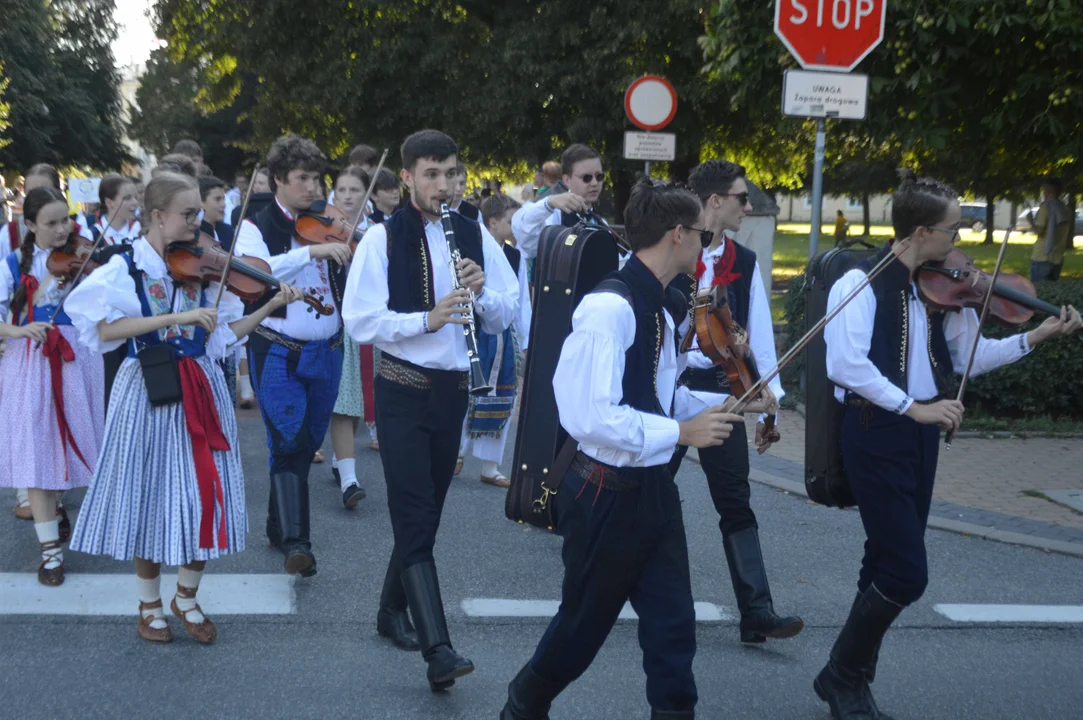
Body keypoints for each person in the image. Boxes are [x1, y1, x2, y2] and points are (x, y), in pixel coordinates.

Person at [818, 173, 1082, 720]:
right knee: (907, 571)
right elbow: (845, 366)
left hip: (921, 432)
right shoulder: (859, 284)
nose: (961, 240)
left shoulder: (946, 292)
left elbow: (968, 360)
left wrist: (1035, 336)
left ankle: (852, 681)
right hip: (876, 431)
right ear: (919, 232)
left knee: (884, 558)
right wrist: (913, 406)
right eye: (952, 228)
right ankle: (840, 674)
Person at [501, 180, 743, 720]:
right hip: (602, 494)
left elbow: (661, 396)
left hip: (654, 492)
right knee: (582, 627)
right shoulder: (609, 308)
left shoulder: (659, 305)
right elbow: (589, 415)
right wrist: (681, 434)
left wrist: (727, 401)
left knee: (674, 629)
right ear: (677, 234)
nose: (706, 246)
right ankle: (524, 702)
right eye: (702, 236)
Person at [65, 172, 304, 644]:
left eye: (199, 213)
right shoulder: (125, 266)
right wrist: (178, 316)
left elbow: (223, 337)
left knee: (205, 495)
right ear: (157, 216)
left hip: (203, 387)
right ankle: (150, 603)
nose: (198, 224)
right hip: (148, 389)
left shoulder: (204, 266)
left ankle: (187, 597)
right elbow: (104, 328)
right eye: (188, 215)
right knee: (149, 496)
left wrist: (269, 303)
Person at [343, 129, 519, 690]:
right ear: (410, 178)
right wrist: (426, 319)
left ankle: (388, 610)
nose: (443, 186)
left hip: (450, 392)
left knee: (427, 515)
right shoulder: (380, 239)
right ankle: (438, 649)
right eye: (431, 175)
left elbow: (505, 310)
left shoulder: (472, 231)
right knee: (415, 513)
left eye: (451, 174)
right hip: (399, 389)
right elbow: (360, 320)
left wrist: (482, 292)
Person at [668, 159, 804, 645]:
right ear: (714, 202)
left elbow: (760, 339)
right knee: (647, 497)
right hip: (670, 397)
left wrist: (770, 399)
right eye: (741, 198)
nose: (748, 205)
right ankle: (613, 586)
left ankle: (757, 611)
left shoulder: (743, 263)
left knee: (736, 504)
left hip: (724, 398)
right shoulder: (672, 248)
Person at [233, 134, 352, 577]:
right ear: (278, 179)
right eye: (302, 179)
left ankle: (276, 523)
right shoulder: (254, 224)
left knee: (305, 442)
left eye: (317, 178)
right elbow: (253, 273)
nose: (312, 188)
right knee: (286, 439)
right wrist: (311, 251)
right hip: (278, 348)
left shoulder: (326, 219)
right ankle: (298, 545)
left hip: (329, 348)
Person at [0, 187, 106, 586]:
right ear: (29, 225)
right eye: (52, 223)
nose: (63, 230)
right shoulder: (12, 263)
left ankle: (57, 506)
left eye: (66, 220)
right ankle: (50, 555)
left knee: (69, 444)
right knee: (36, 450)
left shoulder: (85, 257)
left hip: (77, 360)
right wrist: (19, 328)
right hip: (30, 360)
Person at [456, 193, 531, 487]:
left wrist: (525, 338)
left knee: (504, 394)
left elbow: (523, 299)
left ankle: (490, 465)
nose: (516, 226)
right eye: (511, 221)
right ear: (493, 221)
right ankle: (457, 453)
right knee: (470, 390)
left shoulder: (516, 255)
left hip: (505, 333)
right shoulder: (474, 247)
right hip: (478, 329)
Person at [326, 165, 372, 508]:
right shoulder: (321, 232)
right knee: (343, 402)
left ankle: (341, 460)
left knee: (356, 402)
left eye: (354, 190)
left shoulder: (376, 234)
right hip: (334, 323)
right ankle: (349, 480)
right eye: (341, 189)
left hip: (367, 325)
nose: (347, 196)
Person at [511, 144, 607, 260]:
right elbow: (522, 229)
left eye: (599, 176)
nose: (594, 183)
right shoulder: (553, 215)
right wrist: (548, 203)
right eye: (586, 178)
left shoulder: (601, 222)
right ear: (566, 180)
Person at [1029, 177, 1072, 282]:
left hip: (1041, 257)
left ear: (1050, 192)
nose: (1043, 193)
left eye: (1044, 190)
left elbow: (1039, 232)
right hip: (1058, 258)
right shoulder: (1065, 209)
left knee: (1037, 293)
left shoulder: (1046, 207)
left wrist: (1030, 220)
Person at [91, 174, 141, 245]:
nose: (135, 202)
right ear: (109, 202)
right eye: (127, 198)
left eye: (135, 197)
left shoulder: (140, 230)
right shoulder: (91, 235)